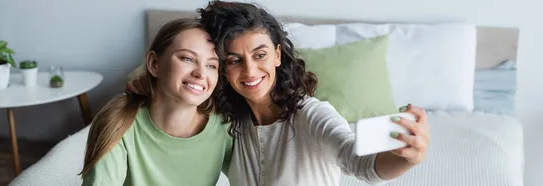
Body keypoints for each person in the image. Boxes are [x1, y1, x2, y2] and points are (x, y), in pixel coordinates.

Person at [129, 1, 431, 185]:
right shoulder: (227, 122)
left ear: (277, 55)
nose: (249, 71)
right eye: (234, 60)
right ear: (221, 67)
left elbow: (361, 165)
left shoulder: (312, 115)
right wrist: (144, 92)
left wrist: (407, 158)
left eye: (259, 55)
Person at [80, 18, 232, 186]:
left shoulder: (225, 127)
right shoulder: (118, 122)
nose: (201, 73)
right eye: (187, 58)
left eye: (212, 66)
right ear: (154, 64)